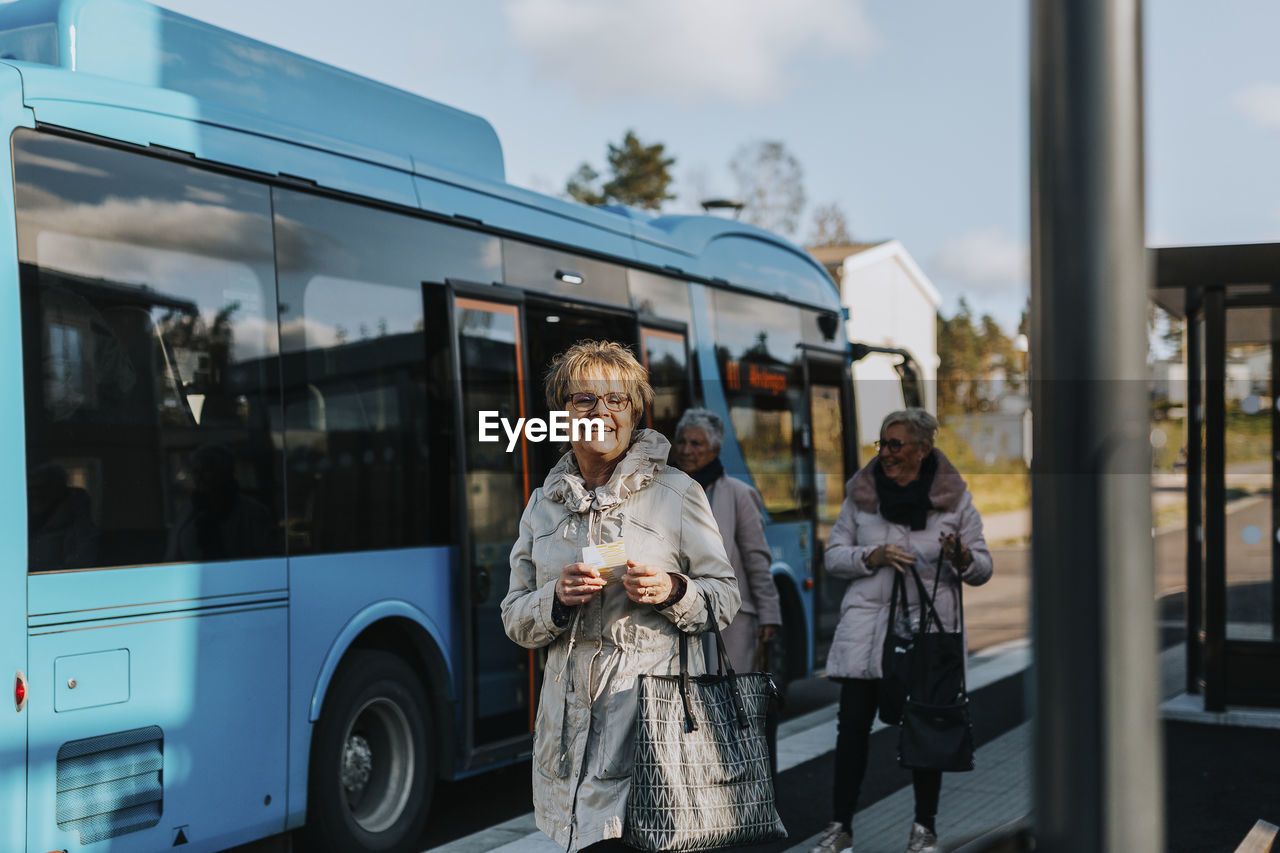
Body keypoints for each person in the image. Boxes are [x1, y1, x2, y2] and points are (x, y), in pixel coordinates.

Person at [501, 340, 740, 853]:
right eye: (585, 399)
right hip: (567, 746)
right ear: (563, 414)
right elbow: (514, 617)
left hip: (653, 742)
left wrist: (673, 590)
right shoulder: (543, 504)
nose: (601, 412)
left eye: (617, 400)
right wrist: (556, 600)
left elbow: (725, 597)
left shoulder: (678, 493)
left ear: (635, 411)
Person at [812, 408, 992, 853]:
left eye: (896, 445)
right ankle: (840, 828)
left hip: (928, 637)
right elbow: (834, 557)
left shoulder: (956, 501)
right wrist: (870, 557)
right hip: (866, 636)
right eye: (882, 444)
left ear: (923, 449)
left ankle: (923, 830)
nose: (886, 454)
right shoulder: (861, 496)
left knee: (925, 731)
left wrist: (961, 557)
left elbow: (983, 569)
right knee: (851, 731)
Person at [672, 408, 781, 672]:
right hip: (677, 617)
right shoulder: (666, 491)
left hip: (730, 620)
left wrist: (768, 615)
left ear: (715, 450)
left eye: (696, 443)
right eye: (682, 442)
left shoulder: (739, 495)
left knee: (729, 701)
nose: (687, 450)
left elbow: (756, 559)